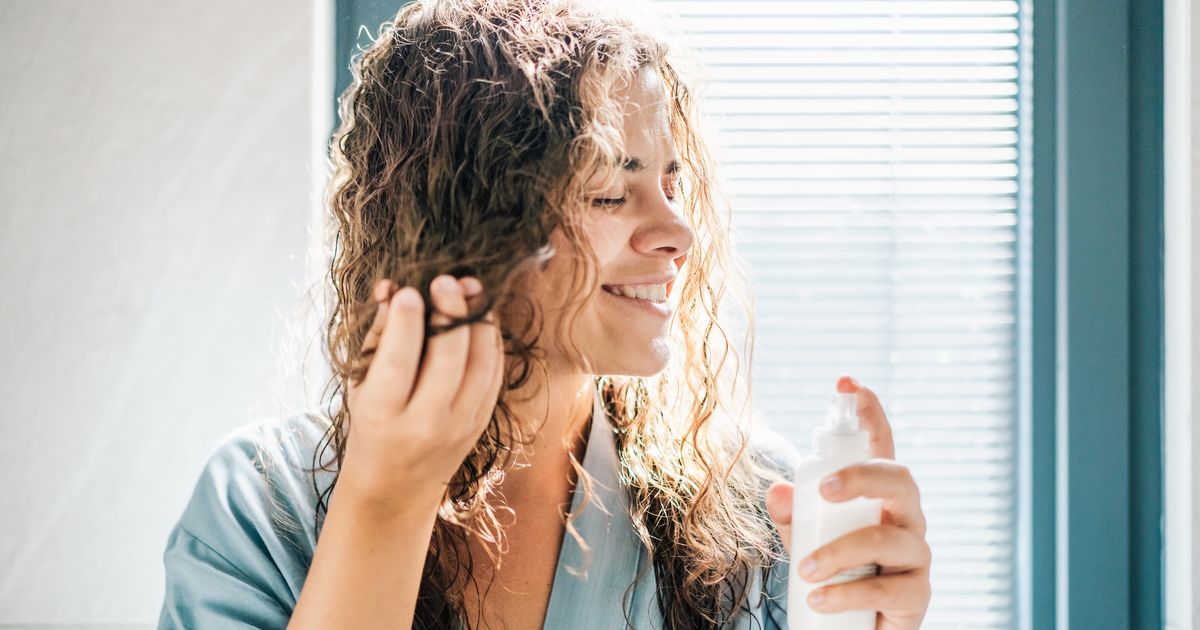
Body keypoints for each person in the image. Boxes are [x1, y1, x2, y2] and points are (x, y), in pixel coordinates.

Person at [157, 0, 932, 628]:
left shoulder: (757, 508)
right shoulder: (261, 509)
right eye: (607, 190)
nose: (678, 234)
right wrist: (384, 502)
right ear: (463, 222)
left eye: (672, 182)